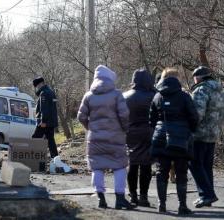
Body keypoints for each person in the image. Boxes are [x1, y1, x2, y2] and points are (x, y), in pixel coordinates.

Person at [77, 65, 134, 210]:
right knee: (119, 166)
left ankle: (100, 198)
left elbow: (81, 116)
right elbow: (124, 115)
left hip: (95, 138)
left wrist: (90, 127)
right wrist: (124, 128)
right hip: (115, 137)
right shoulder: (116, 94)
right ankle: (120, 199)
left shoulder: (88, 95)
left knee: (97, 167)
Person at [150, 68, 199, 215]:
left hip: (160, 137)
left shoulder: (157, 96)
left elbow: (151, 119)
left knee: (161, 171)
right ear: (177, 79)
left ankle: (161, 205)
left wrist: (159, 129)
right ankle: (182, 206)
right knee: (181, 172)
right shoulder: (184, 96)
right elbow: (194, 117)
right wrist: (188, 130)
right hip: (181, 138)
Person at [189, 66, 224, 208]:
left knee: (195, 164)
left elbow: (197, 114)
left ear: (198, 77)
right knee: (206, 166)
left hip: (200, 134)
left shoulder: (201, 89)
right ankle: (206, 196)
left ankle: (207, 195)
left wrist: (189, 128)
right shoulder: (219, 91)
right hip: (213, 133)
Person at [123, 69, 155, 207]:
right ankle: (144, 196)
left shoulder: (125, 96)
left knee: (133, 163)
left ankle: (133, 195)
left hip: (130, 133)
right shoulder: (154, 95)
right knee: (146, 165)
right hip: (149, 132)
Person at [32, 77, 59, 158]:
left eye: (37, 86)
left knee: (35, 138)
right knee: (50, 140)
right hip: (51, 122)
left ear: (40, 84)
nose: (37, 88)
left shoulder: (43, 93)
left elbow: (44, 109)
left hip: (44, 122)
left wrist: (43, 121)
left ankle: (33, 157)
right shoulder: (51, 92)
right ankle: (55, 158)